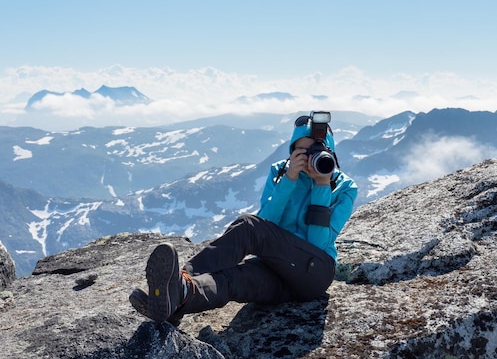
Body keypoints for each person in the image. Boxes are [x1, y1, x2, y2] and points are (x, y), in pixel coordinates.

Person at [129, 111, 358, 326]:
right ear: (292, 153)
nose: (310, 160)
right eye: (303, 153)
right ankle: (179, 299)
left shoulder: (345, 187)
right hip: (276, 271)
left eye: (316, 153)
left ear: (329, 152)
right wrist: (289, 180)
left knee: (248, 227)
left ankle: (179, 279)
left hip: (313, 273)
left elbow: (317, 244)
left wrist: (321, 185)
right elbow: (268, 223)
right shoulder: (281, 173)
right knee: (233, 279)